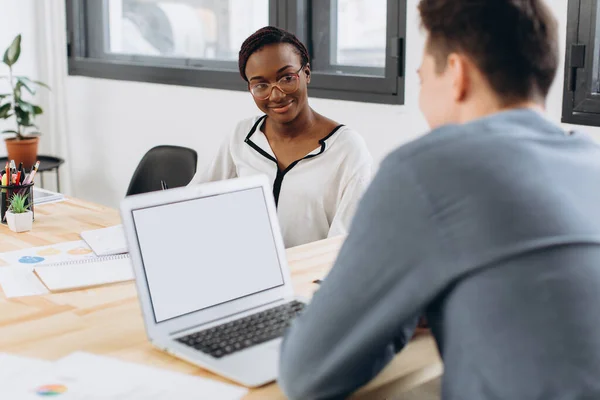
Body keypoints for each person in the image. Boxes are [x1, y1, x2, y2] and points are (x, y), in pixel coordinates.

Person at [279, 1, 600, 399]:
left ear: (457, 74)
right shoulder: (590, 161)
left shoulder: (424, 170)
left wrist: (397, 312)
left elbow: (307, 374)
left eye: (421, 78)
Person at [189, 26, 372, 248]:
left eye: (287, 78)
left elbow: (345, 243)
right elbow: (193, 200)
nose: (276, 95)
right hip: (246, 273)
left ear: (306, 74)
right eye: (261, 85)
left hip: (312, 278)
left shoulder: (347, 149)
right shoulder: (242, 136)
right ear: (250, 88)